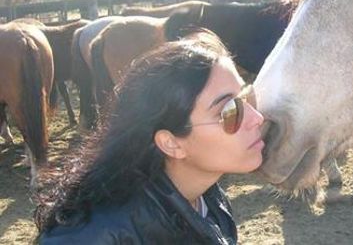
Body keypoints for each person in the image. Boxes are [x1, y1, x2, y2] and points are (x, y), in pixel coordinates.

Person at [35, 31, 264, 244]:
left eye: (245, 98)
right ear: (171, 143)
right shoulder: (94, 235)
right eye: (230, 111)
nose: (257, 118)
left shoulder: (208, 199)